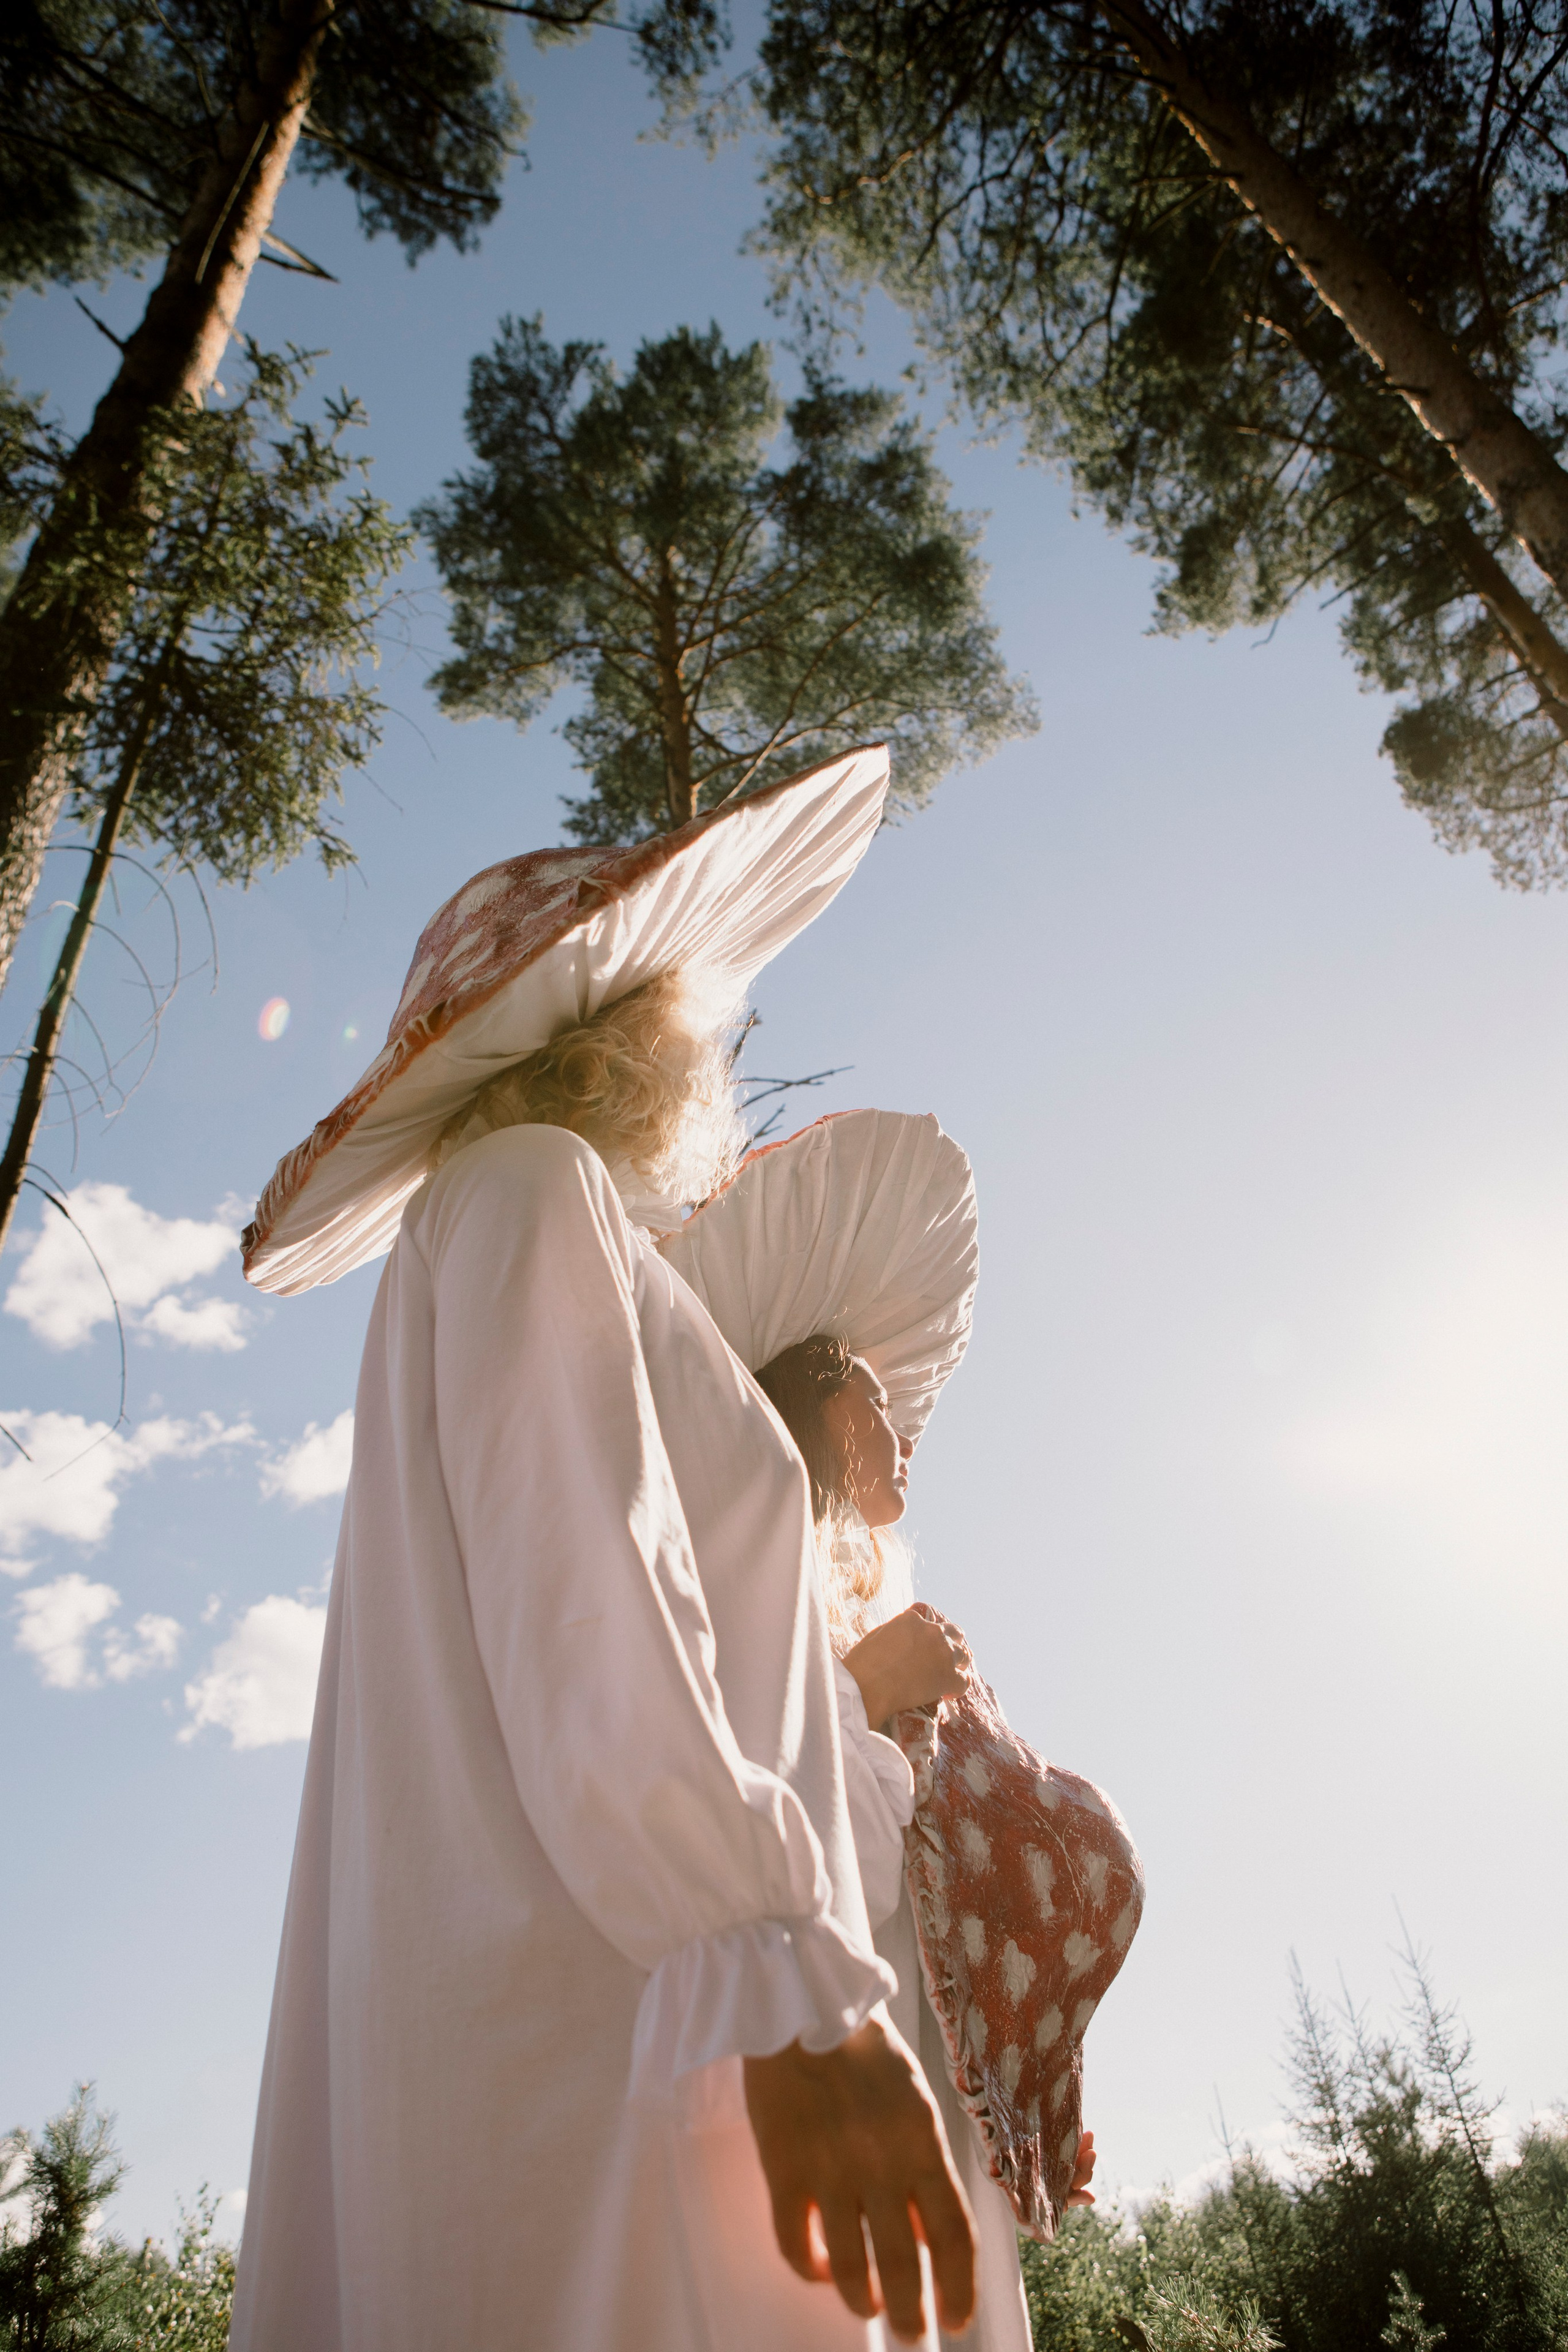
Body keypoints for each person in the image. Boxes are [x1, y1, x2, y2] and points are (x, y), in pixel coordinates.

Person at [229, 748, 977, 2352]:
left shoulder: (498, 1227)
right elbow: (592, 1607)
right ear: (636, 1033)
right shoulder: (526, 1188)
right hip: (620, 2048)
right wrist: (779, 1986)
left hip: (625, 2013)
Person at [666, 1116, 1096, 2352]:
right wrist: (861, 1690)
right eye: (868, 1386)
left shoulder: (838, 1576)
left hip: (905, 2023)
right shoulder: (718, 1564)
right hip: (815, 2040)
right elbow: (735, 1810)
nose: (897, 1417)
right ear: (820, 1403)